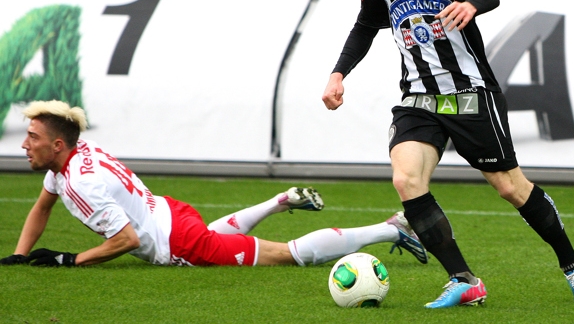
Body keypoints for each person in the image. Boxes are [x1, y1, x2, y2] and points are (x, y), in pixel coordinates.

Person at [321, 0, 574, 308]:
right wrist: (338, 73)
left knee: (510, 187)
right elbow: (366, 24)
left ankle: (572, 265)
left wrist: (470, 4)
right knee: (406, 178)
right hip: (418, 96)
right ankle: (463, 279)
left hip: (469, 92)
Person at [0, 100, 427, 269]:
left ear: (58, 144)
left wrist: (70, 260)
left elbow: (126, 240)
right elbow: (41, 208)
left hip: (178, 242)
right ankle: (277, 201)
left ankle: (392, 227)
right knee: (215, 239)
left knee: (287, 256)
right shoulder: (70, 161)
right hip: (174, 213)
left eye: (32, 138)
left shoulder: (81, 182)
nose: (25, 145)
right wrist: (20, 256)